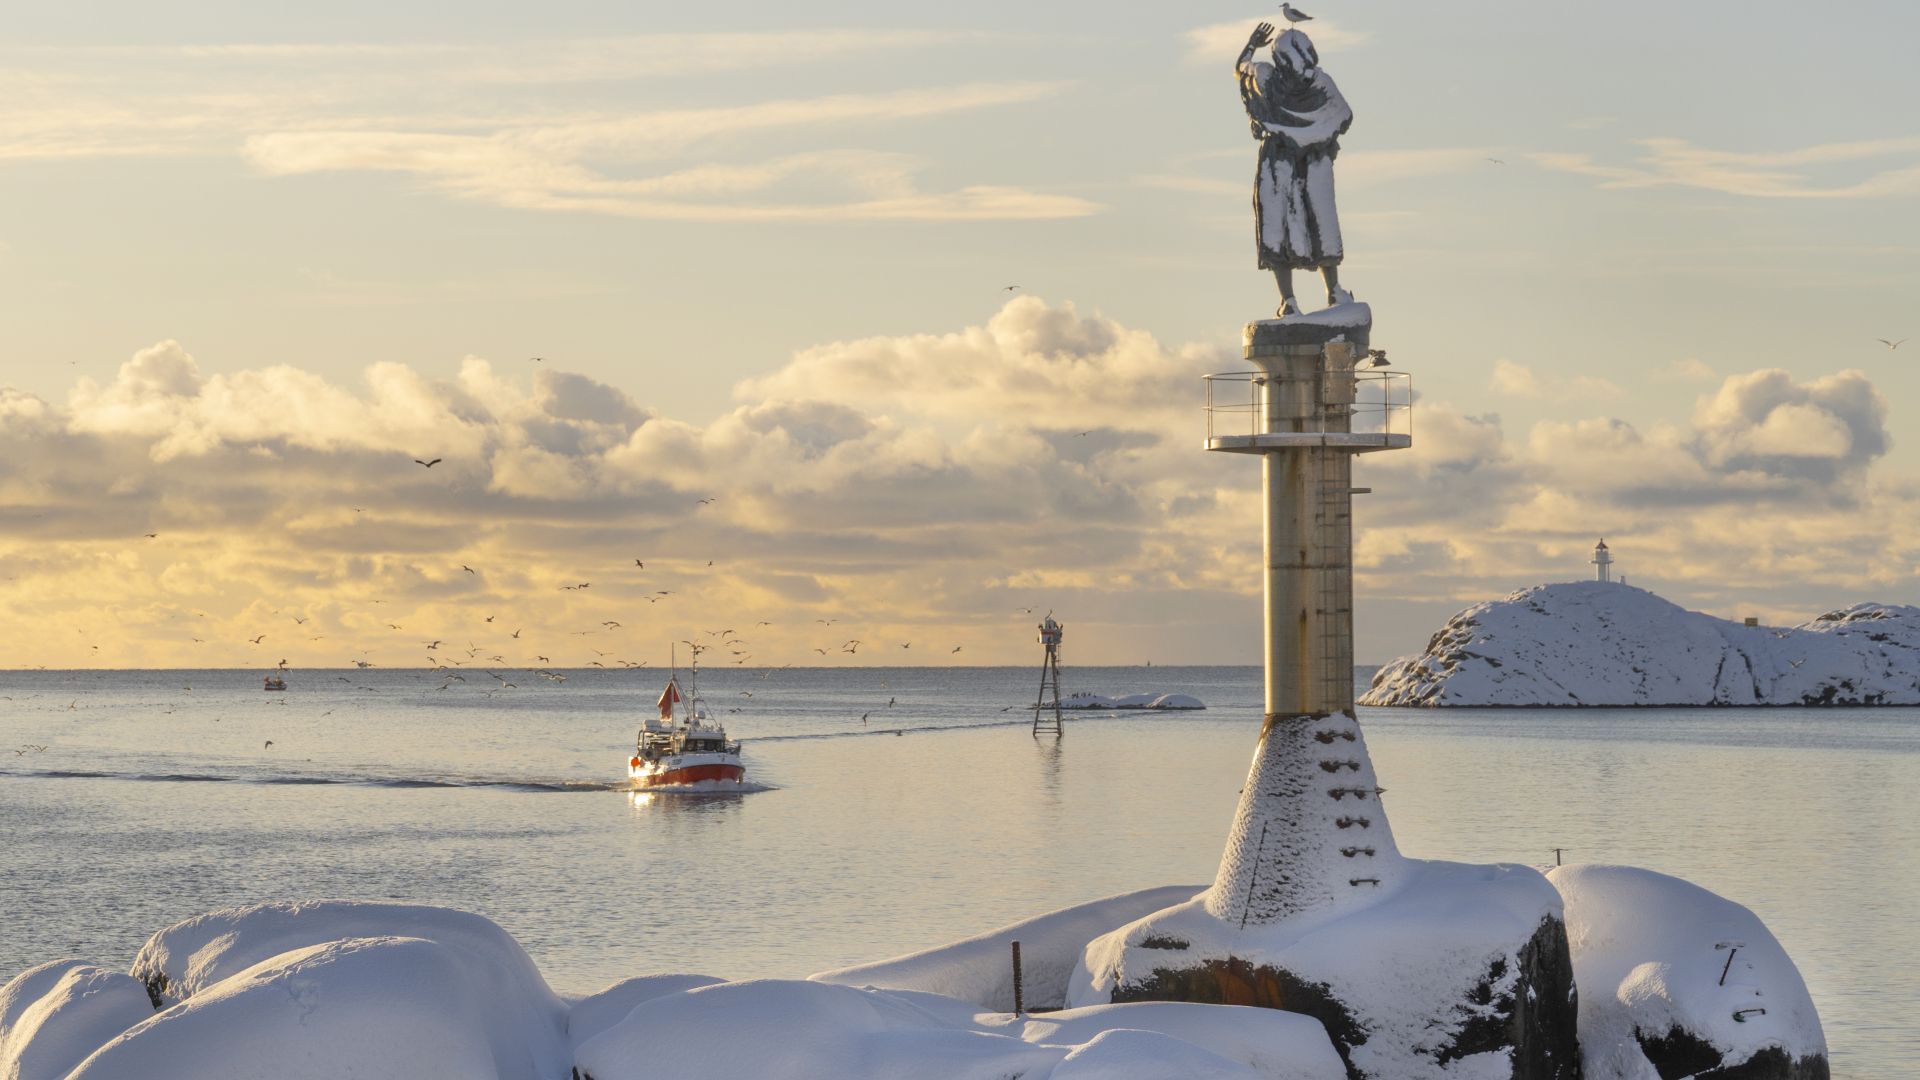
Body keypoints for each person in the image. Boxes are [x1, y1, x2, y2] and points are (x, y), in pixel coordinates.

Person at [1236, 23, 1354, 316]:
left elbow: (1241, 68)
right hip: (1314, 161)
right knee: (1320, 222)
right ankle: (1334, 291)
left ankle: (1288, 300)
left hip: (1278, 161)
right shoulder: (1321, 83)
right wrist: (1316, 132)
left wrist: (1252, 44)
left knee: (1279, 226)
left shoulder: (1266, 77)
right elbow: (1344, 116)